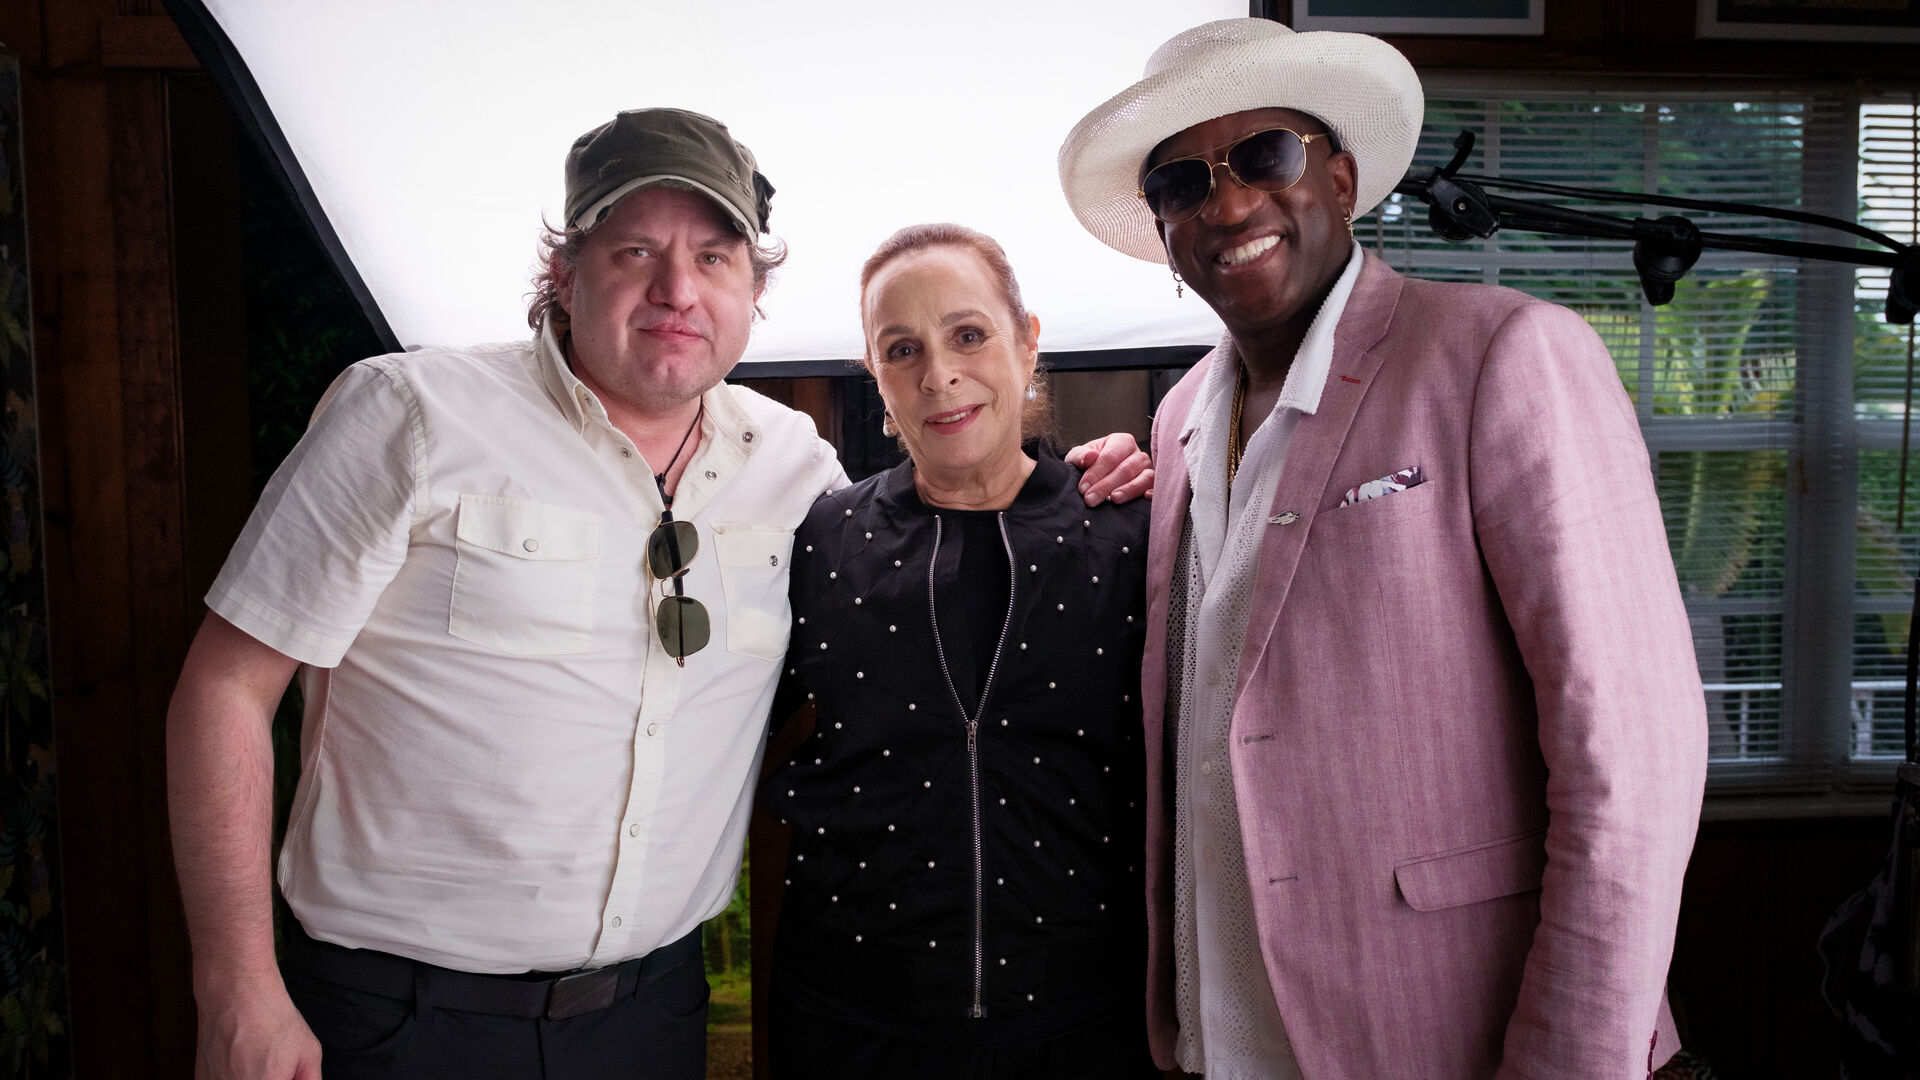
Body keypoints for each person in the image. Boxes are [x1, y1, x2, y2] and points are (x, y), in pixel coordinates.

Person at [166, 109, 1150, 1080]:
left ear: (753, 290)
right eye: (636, 250)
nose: (677, 290)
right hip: (401, 1020)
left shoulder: (793, 467)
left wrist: (1089, 480)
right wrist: (237, 986)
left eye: (714, 258)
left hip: (651, 1019)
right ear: (565, 271)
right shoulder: (411, 413)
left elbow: (943, 540)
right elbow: (225, 688)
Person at [1057, 19, 1708, 1080]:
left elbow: (1633, 765)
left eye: (1264, 154)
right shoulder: (1177, 420)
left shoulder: (1504, 354)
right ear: (1164, 232)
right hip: (1222, 1037)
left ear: (1343, 178)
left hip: (1444, 1031)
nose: (1228, 204)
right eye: (1180, 183)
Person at [759, 224, 1157, 1080]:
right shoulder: (822, 538)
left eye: (968, 334)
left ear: (1026, 341)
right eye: (902, 349)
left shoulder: (1136, 534)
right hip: (851, 1015)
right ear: (875, 375)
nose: (938, 375)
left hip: (1087, 1013)